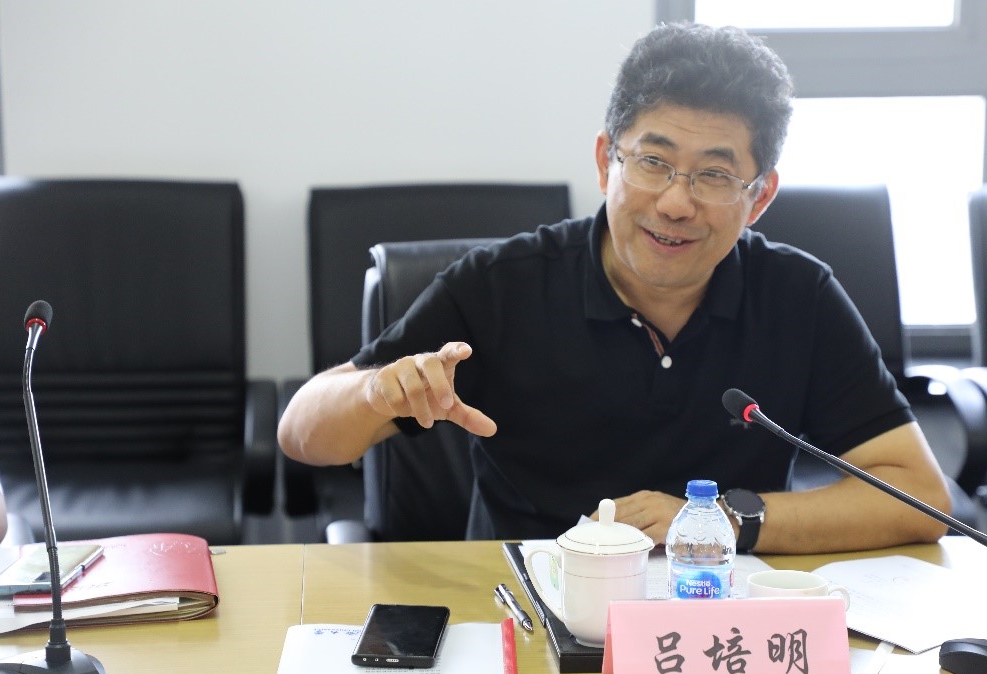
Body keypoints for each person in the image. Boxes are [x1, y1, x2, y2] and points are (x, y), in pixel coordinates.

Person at [278, 22, 951, 553]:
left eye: (714, 176)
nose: (676, 203)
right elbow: (302, 432)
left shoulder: (798, 296)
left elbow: (920, 496)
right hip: (529, 608)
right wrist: (374, 392)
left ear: (759, 197)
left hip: (714, 611)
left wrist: (719, 520)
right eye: (653, 162)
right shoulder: (501, 285)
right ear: (606, 162)